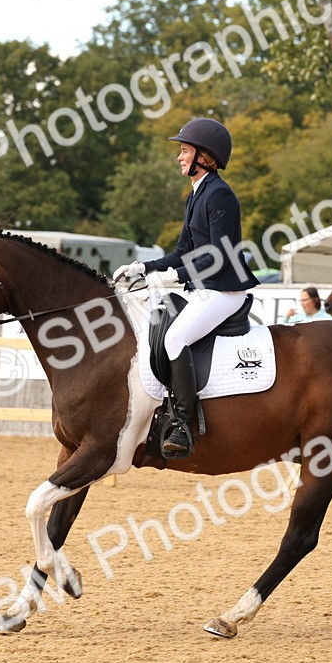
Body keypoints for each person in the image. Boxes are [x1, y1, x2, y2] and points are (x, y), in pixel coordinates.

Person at [112, 118, 259, 459]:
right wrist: (144, 267)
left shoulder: (219, 194)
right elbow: (183, 252)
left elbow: (220, 256)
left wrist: (177, 279)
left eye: (185, 150)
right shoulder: (198, 193)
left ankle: (182, 422)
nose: (179, 157)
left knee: (176, 337)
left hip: (223, 289)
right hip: (203, 286)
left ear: (204, 157)